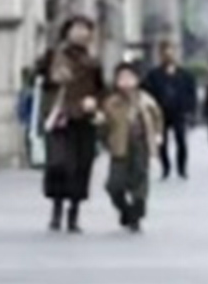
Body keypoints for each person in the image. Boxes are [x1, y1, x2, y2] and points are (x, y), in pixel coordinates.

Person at [36, 15, 106, 233]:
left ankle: (73, 214)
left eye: (86, 29)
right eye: (77, 28)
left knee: (81, 167)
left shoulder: (93, 62)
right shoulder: (53, 56)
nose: (81, 33)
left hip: (83, 119)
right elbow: (36, 77)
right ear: (67, 31)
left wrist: (95, 103)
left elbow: (101, 89)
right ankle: (56, 210)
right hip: (59, 118)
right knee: (59, 164)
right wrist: (51, 77)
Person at [101, 61, 164, 233]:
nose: (126, 82)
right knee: (114, 184)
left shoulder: (145, 100)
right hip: (118, 146)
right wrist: (105, 140)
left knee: (139, 178)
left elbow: (157, 118)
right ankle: (124, 209)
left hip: (140, 144)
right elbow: (103, 124)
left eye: (130, 77)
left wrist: (157, 135)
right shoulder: (111, 102)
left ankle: (137, 213)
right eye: (121, 78)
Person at [141, 41, 197, 181]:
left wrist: (189, 109)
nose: (169, 54)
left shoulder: (185, 75)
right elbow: (146, 92)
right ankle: (165, 167)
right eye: (165, 51)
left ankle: (181, 168)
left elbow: (191, 93)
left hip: (179, 112)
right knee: (162, 142)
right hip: (160, 113)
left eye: (171, 50)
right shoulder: (153, 75)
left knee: (181, 140)